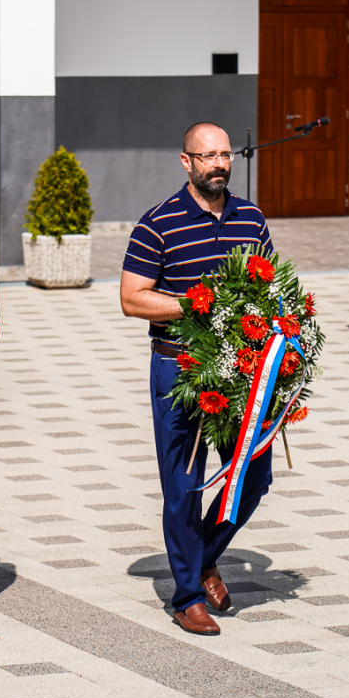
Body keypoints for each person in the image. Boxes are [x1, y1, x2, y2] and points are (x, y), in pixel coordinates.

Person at [120, 122, 274, 636]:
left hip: (241, 372)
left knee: (252, 477)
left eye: (225, 154)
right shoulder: (157, 224)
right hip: (179, 369)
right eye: (207, 156)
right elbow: (131, 298)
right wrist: (192, 304)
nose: (219, 164)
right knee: (183, 487)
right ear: (185, 162)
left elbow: (272, 284)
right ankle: (187, 596)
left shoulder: (250, 217)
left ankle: (203, 556)